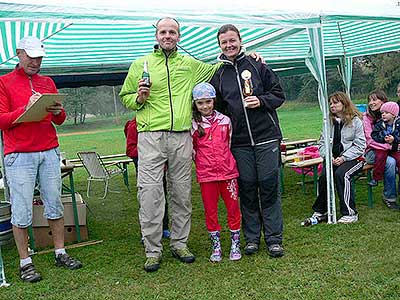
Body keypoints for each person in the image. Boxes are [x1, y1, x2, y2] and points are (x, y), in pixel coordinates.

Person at [119, 17, 221, 272]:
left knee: (181, 192)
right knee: (151, 193)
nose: (168, 35)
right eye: (163, 31)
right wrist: (139, 98)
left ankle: (179, 242)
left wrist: (249, 57)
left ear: (179, 36)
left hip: (181, 135)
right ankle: (152, 250)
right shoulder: (140, 64)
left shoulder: (189, 64)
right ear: (156, 35)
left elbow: (219, 67)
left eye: (172, 32)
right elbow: (126, 97)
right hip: (151, 135)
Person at [0, 36, 82, 283]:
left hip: (49, 150)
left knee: (54, 204)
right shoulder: (3, 82)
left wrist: (58, 111)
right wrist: (26, 109)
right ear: (19, 54)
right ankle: (25, 262)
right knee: (22, 210)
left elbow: (59, 120)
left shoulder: (47, 82)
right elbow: (2, 120)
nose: (36, 62)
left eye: (39, 58)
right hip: (19, 153)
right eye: (31, 57)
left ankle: (60, 252)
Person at [210, 24, 285, 258]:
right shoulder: (218, 73)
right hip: (239, 143)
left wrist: (261, 101)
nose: (229, 45)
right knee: (248, 190)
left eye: (233, 40)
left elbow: (279, 95)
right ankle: (251, 238)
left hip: (266, 138)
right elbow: (216, 108)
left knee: (269, 188)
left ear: (240, 40)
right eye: (224, 42)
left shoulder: (257, 64)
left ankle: (274, 239)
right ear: (219, 45)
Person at [191, 82, 241, 262]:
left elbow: (229, 144)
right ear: (195, 104)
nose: (205, 106)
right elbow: (193, 150)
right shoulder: (194, 124)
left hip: (228, 173)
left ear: (214, 101)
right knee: (210, 211)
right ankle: (216, 245)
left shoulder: (225, 121)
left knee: (233, 209)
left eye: (208, 102)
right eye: (200, 103)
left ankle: (235, 242)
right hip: (207, 175)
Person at [307, 92, 366, 224]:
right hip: (333, 158)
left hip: (354, 158)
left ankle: (350, 213)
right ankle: (322, 209)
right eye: (330, 103)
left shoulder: (356, 121)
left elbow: (360, 146)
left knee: (342, 174)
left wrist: (344, 157)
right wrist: (329, 157)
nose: (332, 105)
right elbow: (322, 143)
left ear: (344, 104)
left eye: (335, 102)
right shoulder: (328, 122)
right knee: (324, 177)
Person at [124, 117, 170, 239]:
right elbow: (130, 150)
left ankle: (164, 227)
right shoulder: (134, 125)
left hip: (161, 169)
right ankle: (147, 234)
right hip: (145, 169)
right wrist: (149, 154)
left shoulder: (161, 121)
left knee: (162, 197)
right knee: (147, 201)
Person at [363, 90, 400, 209]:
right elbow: (370, 140)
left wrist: (395, 143)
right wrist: (390, 146)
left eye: (374, 100)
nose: (371, 103)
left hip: (390, 149)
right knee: (390, 162)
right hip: (372, 151)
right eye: (369, 100)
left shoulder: (392, 115)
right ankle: (389, 197)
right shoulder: (367, 118)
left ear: (383, 101)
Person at [370, 102, 400, 186]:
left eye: (386, 113)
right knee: (379, 158)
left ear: (394, 115)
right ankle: (376, 178)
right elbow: (374, 135)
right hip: (382, 147)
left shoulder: (398, 123)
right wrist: (383, 137)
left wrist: (394, 139)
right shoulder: (379, 124)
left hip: (394, 147)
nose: (383, 115)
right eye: (382, 113)